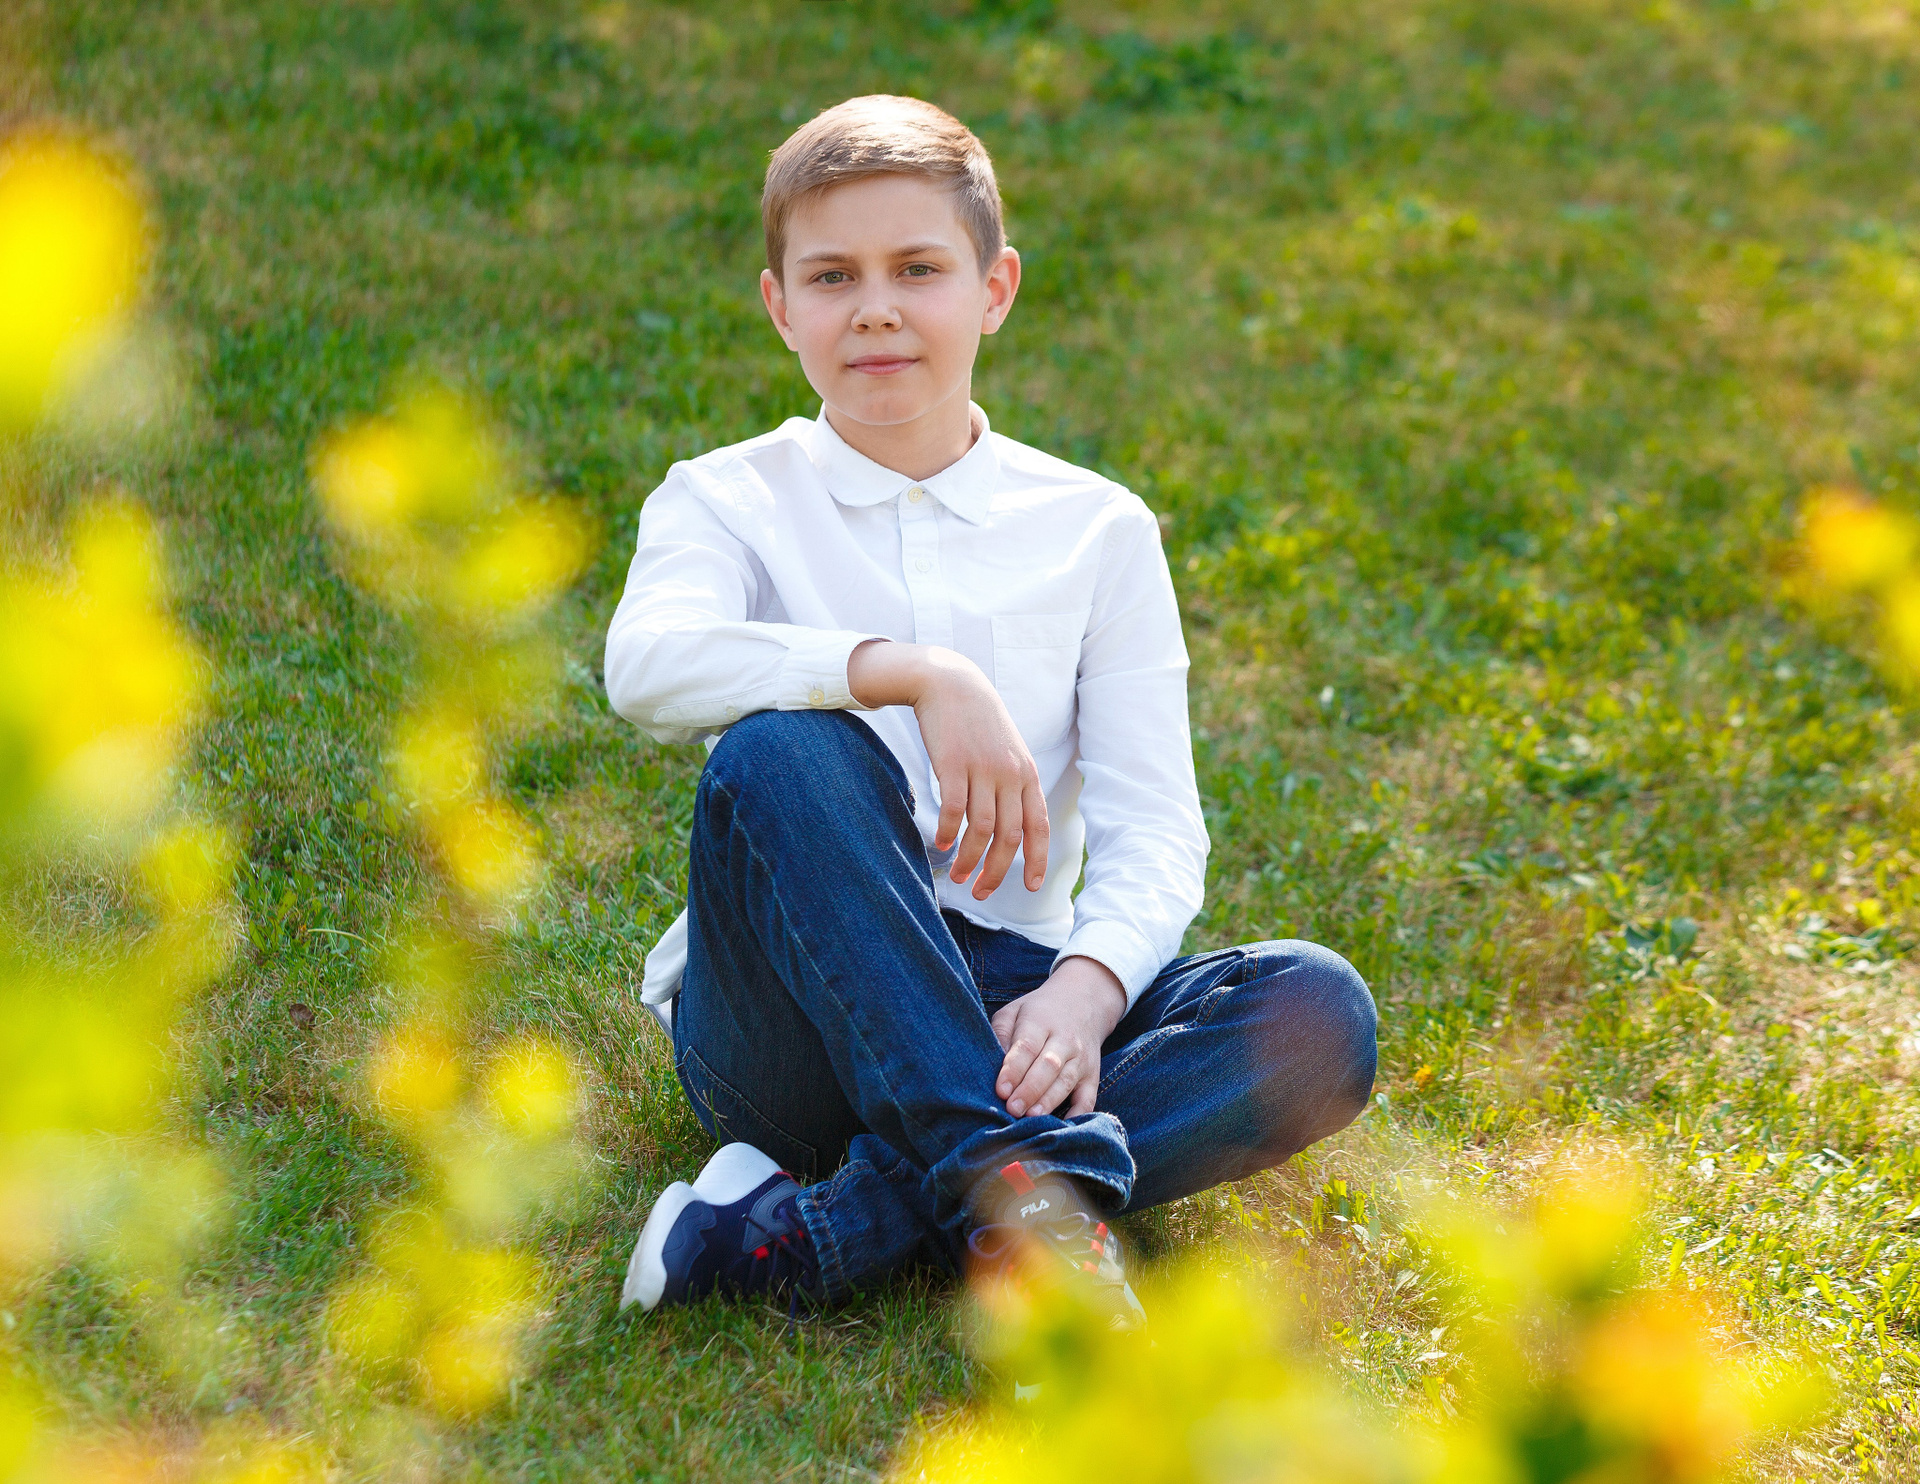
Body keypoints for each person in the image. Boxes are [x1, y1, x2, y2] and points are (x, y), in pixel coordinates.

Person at [603, 95, 1376, 1328]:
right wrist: (913, 671)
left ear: (995, 288)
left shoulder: (1096, 528)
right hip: (784, 1035)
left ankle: (805, 1231)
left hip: (1013, 1002)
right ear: (781, 306)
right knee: (784, 749)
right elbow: (646, 665)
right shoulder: (723, 497)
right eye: (833, 276)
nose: (876, 308)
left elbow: (1156, 828)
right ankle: (1030, 1205)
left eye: (918, 269)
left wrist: (1087, 990)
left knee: (1315, 1013)